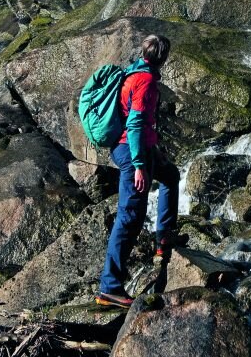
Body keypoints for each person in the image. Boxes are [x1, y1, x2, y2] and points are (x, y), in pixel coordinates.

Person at [95, 34, 181, 309]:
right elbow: (134, 125)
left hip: (140, 148)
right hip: (133, 153)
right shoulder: (145, 82)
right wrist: (140, 167)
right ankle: (109, 287)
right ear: (164, 58)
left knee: (171, 176)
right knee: (130, 216)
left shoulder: (134, 72)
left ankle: (164, 236)